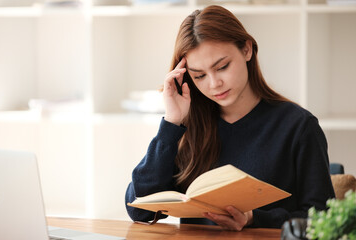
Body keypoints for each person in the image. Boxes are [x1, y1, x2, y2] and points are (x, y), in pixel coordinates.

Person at [125, 5, 335, 230]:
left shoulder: (298, 126)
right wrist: (171, 123)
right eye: (200, 76)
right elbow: (138, 210)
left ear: (247, 50)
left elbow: (324, 221)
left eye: (222, 67)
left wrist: (255, 218)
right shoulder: (187, 128)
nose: (214, 84)